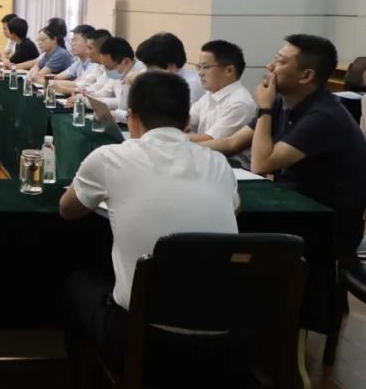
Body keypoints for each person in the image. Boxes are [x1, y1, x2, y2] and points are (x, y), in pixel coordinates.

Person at [59, 72, 239, 389]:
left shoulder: (110, 157)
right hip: (225, 343)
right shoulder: (218, 164)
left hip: (143, 339)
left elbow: (68, 210)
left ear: (132, 118)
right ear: (187, 121)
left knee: (77, 285)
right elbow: (234, 209)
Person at [207, 34, 366, 257]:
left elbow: (262, 164)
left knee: (226, 232)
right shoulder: (281, 101)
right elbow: (232, 143)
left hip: (328, 225)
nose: (270, 66)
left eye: (280, 62)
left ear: (306, 76)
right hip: (293, 207)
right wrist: (176, 142)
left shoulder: (324, 116)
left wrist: (264, 109)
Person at [188, 40, 255, 166]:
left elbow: (211, 139)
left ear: (229, 70)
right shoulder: (209, 95)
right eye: (199, 67)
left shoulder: (240, 103)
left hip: (233, 167)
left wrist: (171, 138)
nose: (200, 73)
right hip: (206, 160)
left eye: (205, 67)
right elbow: (187, 122)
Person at [134, 32, 203, 104]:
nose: (147, 72)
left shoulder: (191, 85)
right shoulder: (164, 76)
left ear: (172, 66)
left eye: (150, 68)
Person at [86, 37, 145, 111]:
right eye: (104, 67)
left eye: (108, 67)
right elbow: (105, 92)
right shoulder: (120, 71)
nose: (106, 71)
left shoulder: (142, 76)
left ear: (126, 61)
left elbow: (125, 105)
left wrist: (91, 101)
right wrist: (86, 94)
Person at [57, 29, 110, 96]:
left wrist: (60, 87)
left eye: (89, 48)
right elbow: (83, 84)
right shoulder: (98, 66)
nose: (87, 52)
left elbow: (98, 92)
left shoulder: (112, 69)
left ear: (101, 50)